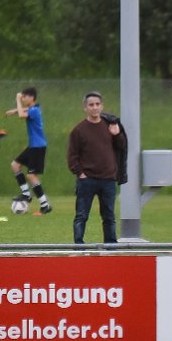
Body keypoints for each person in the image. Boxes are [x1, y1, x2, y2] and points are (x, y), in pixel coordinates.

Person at [67, 92, 125, 244]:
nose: (95, 107)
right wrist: (80, 173)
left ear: (102, 106)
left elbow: (122, 146)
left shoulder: (110, 125)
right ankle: (79, 245)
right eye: (91, 105)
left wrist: (117, 134)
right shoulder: (79, 130)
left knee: (109, 216)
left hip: (108, 179)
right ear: (85, 108)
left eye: (97, 104)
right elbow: (72, 155)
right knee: (81, 215)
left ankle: (110, 246)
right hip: (87, 180)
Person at [5, 87, 52, 214]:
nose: (23, 99)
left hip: (38, 147)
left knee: (31, 175)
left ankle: (45, 205)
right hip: (33, 146)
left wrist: (17, 100)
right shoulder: (34, 108)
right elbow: (23, 111)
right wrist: (14, 111)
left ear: (31, 97)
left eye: (24, 97)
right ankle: (26, 194)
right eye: (22, 97)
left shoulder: (35, 110)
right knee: (15, 165)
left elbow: (22, 115)